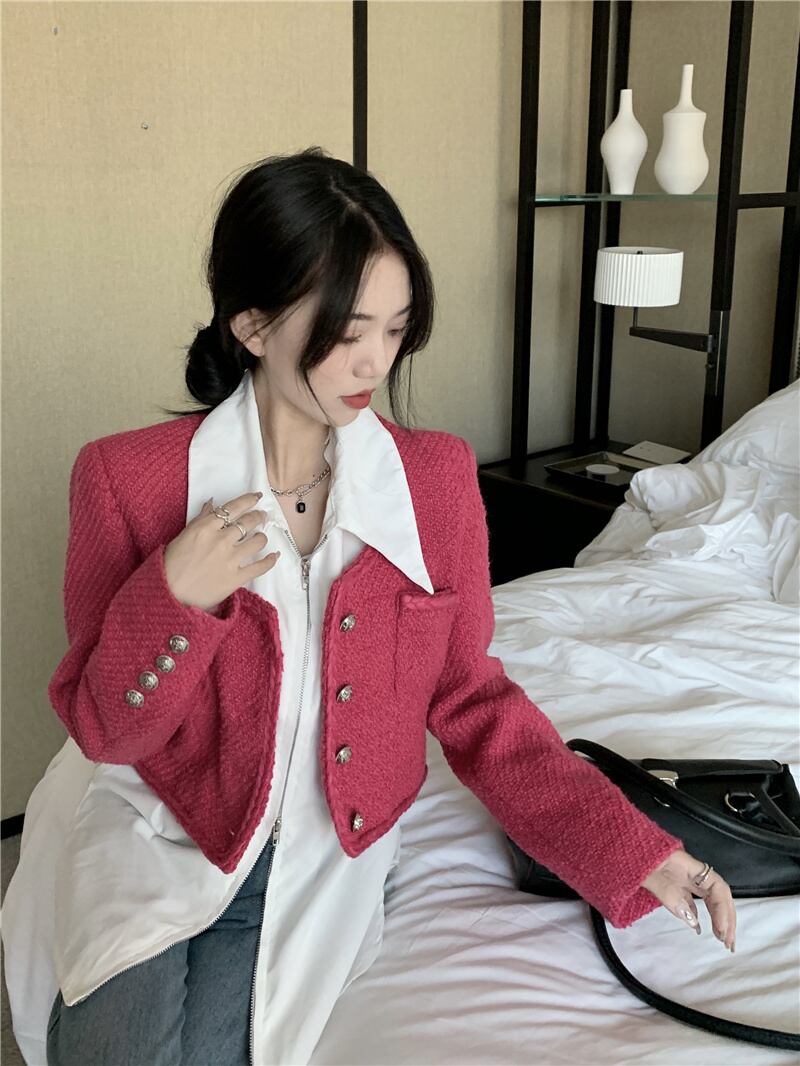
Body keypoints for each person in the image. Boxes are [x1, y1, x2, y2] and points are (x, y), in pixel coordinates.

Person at [4, 147, 736, 1066]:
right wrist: (174, 597)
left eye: (395, 329)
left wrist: (636, 853)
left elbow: (474, 702)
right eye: (347, 331)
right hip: (162, 826)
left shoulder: (434, 481)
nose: (374, 362)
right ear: (253, 323)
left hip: (319, 856)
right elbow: (105, 729)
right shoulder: (127, 479)